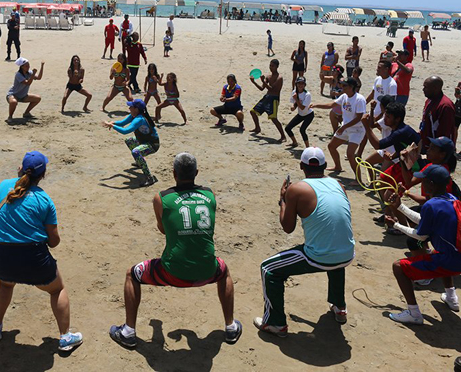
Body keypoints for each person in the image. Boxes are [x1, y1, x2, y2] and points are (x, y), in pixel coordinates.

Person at [109, 152, 243, 347]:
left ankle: (128, 332)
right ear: (196, 172)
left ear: (174, 173)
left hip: (172, 272)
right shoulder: (209, 195)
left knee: (132, 274)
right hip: (207, 270)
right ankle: (231, 327)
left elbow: (164, 230)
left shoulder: (162, 198)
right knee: (224, 271)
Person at [0, 151, 84, 351]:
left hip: (3, 255)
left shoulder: (3, 186)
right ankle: (65, 337)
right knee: (57, 289)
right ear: (43, 175)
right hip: (34, 258)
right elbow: (54, 241)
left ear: (20, 168)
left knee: (5, 285)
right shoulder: (45, 200)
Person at [254, 147, 354, 337]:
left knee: (268, 268)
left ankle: (275, 323)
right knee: (334, 250)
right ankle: (339, 306)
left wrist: (283, 200)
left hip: (320, 256)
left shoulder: (297, 188)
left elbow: (287, 227)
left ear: (302, 166)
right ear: (325, 166)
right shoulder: (339, 185)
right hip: (347, 253)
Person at [385, 165, 461, 324]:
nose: (422, 184)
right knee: (437, 253)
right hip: (456, 256)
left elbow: (420, 236)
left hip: (452, 261)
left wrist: (396, 225)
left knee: (398, 267)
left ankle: (414, 313)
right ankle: (451, 298)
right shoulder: (452, 199)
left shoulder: (431, 205)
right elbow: (425, 221)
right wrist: (400, 207)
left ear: (431, 184)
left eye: (423, 181)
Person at [311, 78, 366, 177]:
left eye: (345, 86)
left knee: (350, 154)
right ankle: (338, 166)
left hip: (357, 130)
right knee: (331, 146)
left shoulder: (359, 99)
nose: (342, 87)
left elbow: (359, 118)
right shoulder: (344, 96)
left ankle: (358, 179)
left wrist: (343, 127)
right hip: (345, 127)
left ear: (351, 87)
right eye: (342, 85)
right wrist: (316, 105)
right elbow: (331, 104)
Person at [103, 99, 160, 187]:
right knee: (129, 141)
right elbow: (122, 123)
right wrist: (113, 122)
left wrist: (112, 126)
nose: (129, 108)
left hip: (152, 145)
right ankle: (139, 162)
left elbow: (125, 130)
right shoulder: (134, 116)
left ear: (136, 109)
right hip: (144, 141)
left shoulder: (139, 119)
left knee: (136, 152)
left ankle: (149, 178)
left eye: (131, 106)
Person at [250, 59, 286, 142]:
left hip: (274, 99)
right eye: (270, 65)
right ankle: (257, 128)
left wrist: (263, 81)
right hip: (266, 97)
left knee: (274, 118)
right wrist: (254, 82)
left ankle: (283, 136)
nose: (271, 67)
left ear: (277, 67)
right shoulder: (268, 76)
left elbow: (273, 89)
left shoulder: (279, 78)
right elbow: (262, 88)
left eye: (272, 66)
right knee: (253, 111)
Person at [420, 76, 456, 153]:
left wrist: (435, 150)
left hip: (438, 151)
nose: (423, 89)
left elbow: (445, 132)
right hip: (427, 145)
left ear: (435, 88)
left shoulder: (445, 106)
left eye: (426, 87)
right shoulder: (429, 101)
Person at [6, 57, 44, 122]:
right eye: (26, 66)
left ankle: (26, 113)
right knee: (13, 102)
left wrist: (42, 66)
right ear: (22, 67)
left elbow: (39, 77)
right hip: (13, 95)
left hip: (23, 95)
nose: (28, 67)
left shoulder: (29, 72)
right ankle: (10, 117)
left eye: (28, 65)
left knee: (37, 98)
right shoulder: (18, 74)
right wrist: (33, 75)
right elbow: (28, 83)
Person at [285, 76, 314, 148]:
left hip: (308, 114)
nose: (300, 85)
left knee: (302, 130)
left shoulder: (307, 94)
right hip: (301, 114)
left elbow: (302, 107)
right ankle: (294, 142)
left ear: (305, 85)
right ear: (296, 84)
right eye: (299, 83)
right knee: (288, 128)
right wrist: (293, 107)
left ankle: (307, 147)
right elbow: (296, 103)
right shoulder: (294, 92)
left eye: (302, 83)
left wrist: (296, 99)